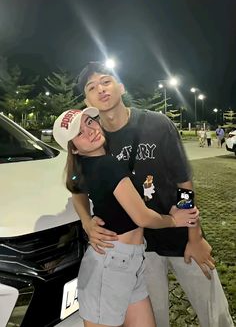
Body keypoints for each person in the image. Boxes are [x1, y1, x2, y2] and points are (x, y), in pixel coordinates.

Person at [72, 62, 234, 327]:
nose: (100, 89)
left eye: (106, 81)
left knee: (214, 313)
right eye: (92, 87)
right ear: (87, 99)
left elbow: (184, 183)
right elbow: (77, 189)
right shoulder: (93, 139)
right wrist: (86, 221)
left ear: (121, 86)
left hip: (181, 235)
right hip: (142, 249)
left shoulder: (157, 124)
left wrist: (194, 236)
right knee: (156, 318)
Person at [53, 107, 199, 327]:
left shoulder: (157, 126)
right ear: (73, 149)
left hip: (133, 259)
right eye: (80, 133)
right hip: (114, 261)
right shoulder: (106, 164)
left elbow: (183, 177)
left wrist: (195, 236)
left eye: (89, 123)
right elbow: (141, 217)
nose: (90, 130)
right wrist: (175, 220)